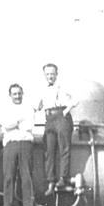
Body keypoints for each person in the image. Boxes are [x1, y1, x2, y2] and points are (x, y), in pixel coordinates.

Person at [0, 84, 40, 206]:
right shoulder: (5, 109)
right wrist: (18, 121)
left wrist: (14, 123)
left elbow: (29, 125)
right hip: (10, 144)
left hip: (25, 143)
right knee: (9, 176)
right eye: (14, 94)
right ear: (10, 95)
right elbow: (5, 125)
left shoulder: (28, 108)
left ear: (22, 94)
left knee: (26, 176)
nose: (17, 96)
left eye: (19, 93)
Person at [35, 63, 76, 196]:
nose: (50, 76)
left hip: (61, 117)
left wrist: (65, 111)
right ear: (44, 75)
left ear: (56, 74)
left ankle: (63, 178)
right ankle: (51, 181)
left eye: (52, 74)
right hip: (49, 119)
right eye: (47, 74)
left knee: (64, 148)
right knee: (48, 150)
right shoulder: (42, 89)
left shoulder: (64, 86)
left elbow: (76, 99)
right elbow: (38, 106)